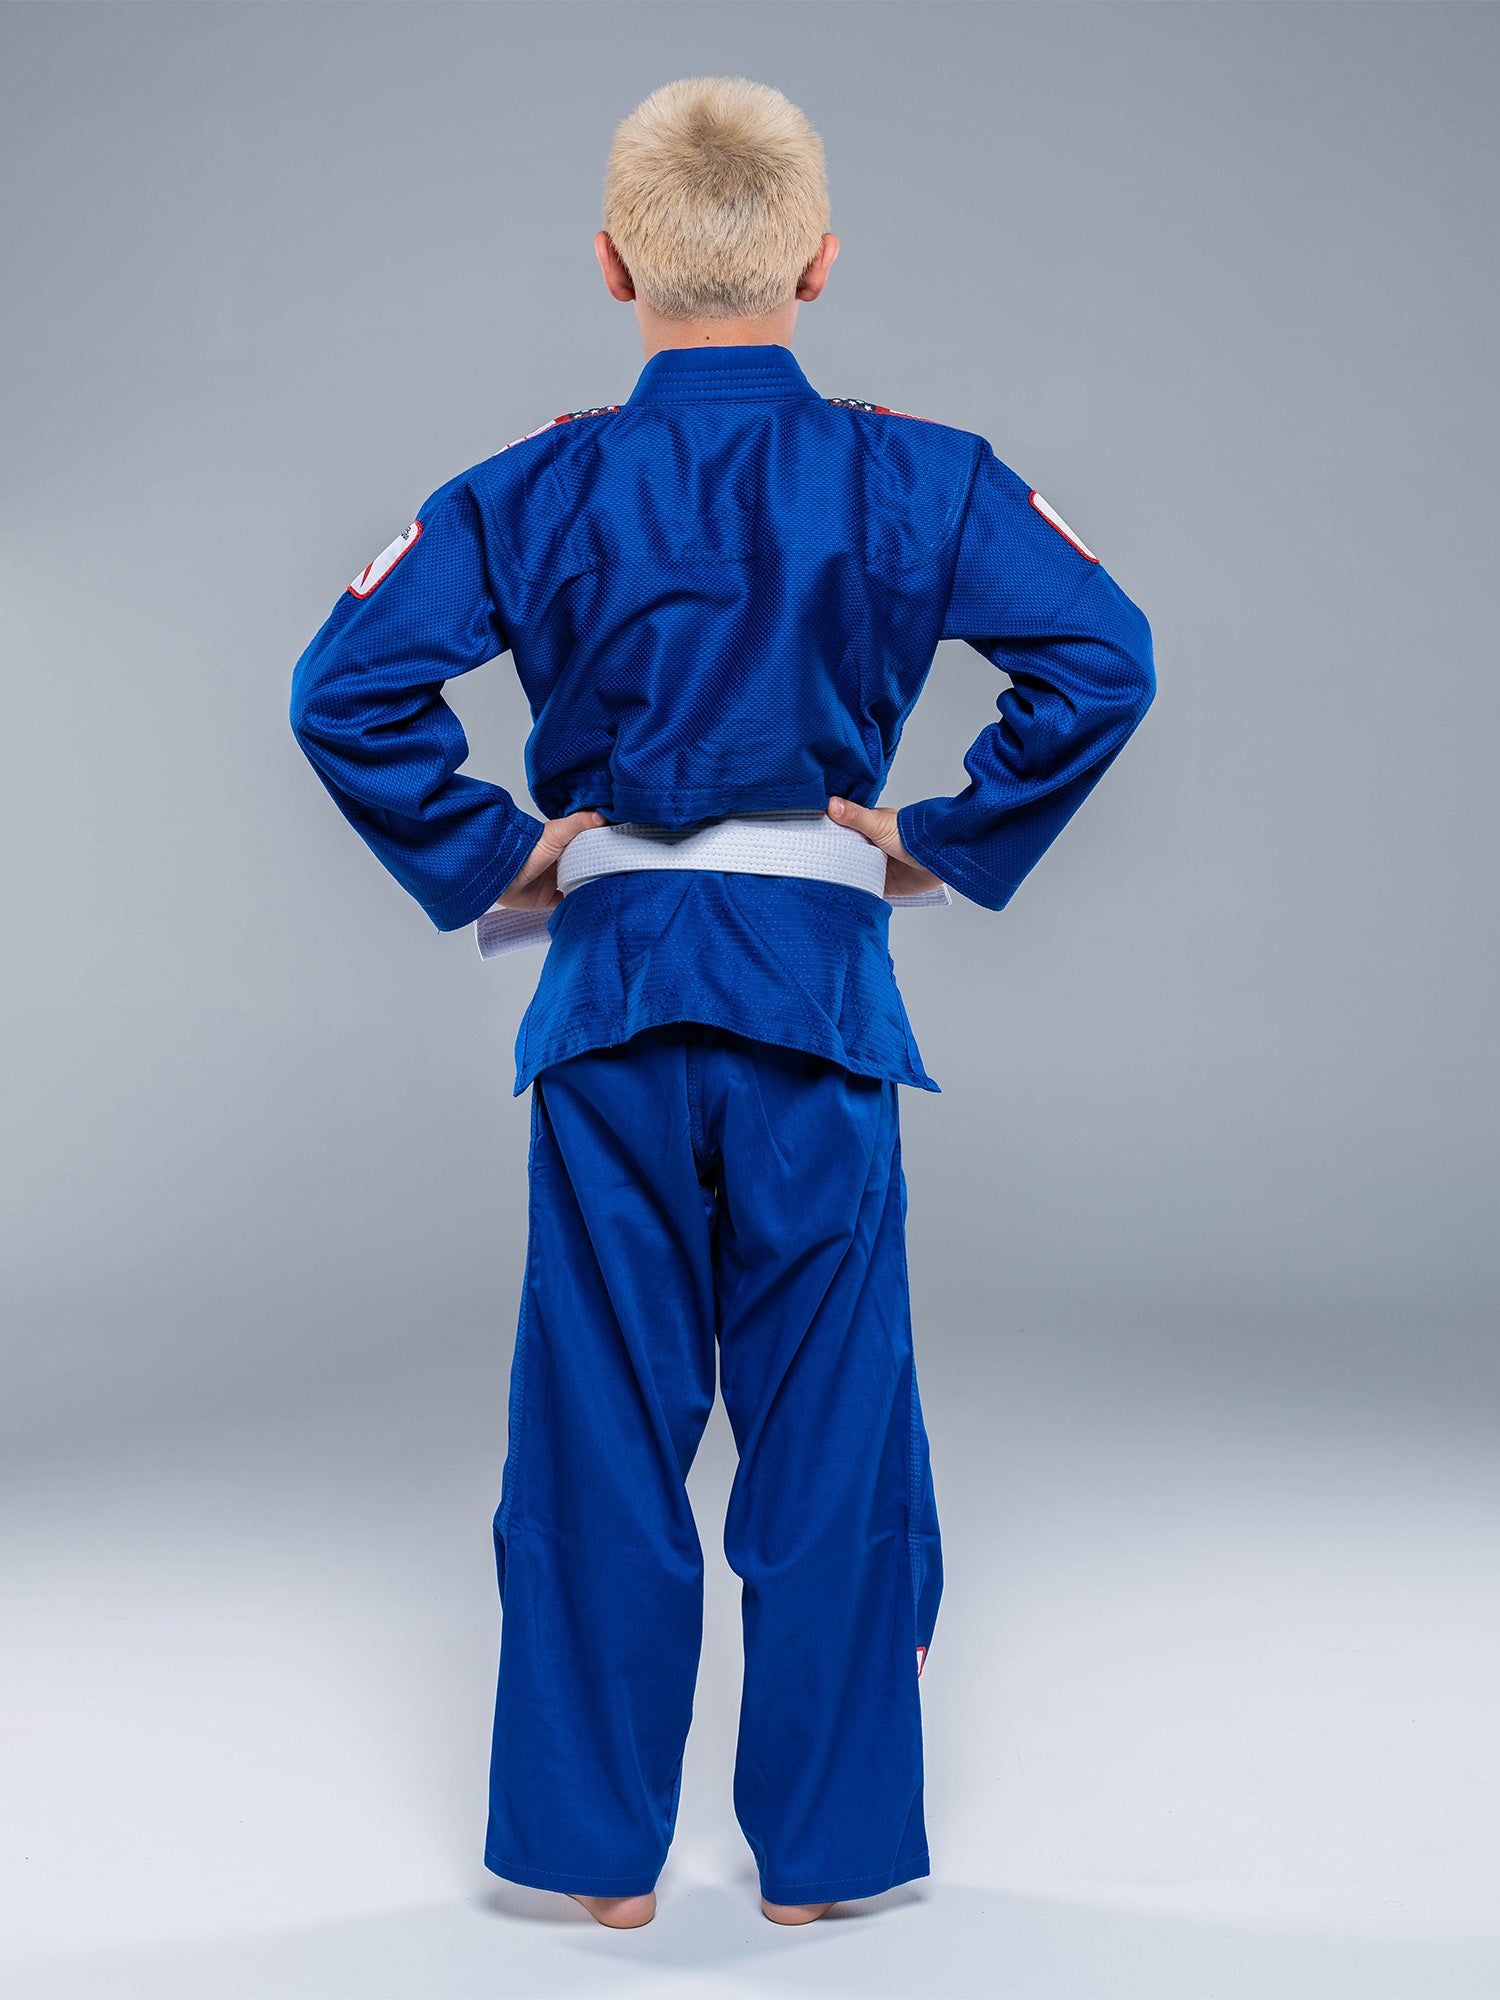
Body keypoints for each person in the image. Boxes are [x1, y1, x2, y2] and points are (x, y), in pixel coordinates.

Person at [289, 75, 1154, 1931]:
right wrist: (939, 838)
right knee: (832, 1430)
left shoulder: (530, 486)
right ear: (820, 264)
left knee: (598, 1427)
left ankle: (595, 1865)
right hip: (815, 1006)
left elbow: (340, 690)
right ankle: (823, 1865)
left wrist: (497, 856)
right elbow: (1104, 657)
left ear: (614, 267)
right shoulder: (922, 476)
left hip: (609, 1001)